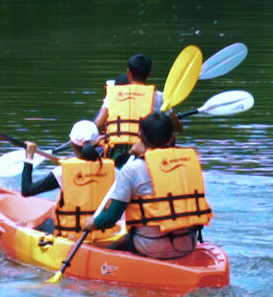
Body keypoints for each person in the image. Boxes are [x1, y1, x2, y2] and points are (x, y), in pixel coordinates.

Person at [82, 111, 212, 260]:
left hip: (150, 247)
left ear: (140, 137)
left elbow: (111, 218)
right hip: (187, 245)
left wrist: (92, 223)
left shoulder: (132, 169)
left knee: (106, 250)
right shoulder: (187, 164)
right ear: (171, 138)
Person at [21, 120, 118, 242]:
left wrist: (29, 157)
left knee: (46, 222)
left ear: (72, 143)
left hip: (72, 238)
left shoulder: (63, 171)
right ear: (98, 143)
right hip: (106, 236)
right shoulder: (112, 169)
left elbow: (26, 190)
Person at [93, 53, 181, 160]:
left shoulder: (113, 95)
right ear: (149, 74)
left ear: (128, 73)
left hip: (116, 153)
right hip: (145, 152)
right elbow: (177, 128)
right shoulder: (158, 97)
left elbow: (98, 123)